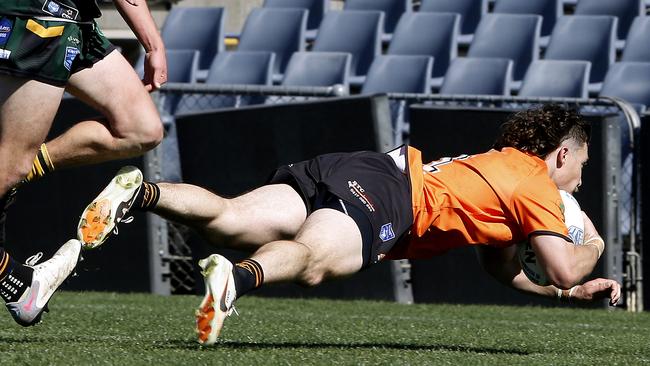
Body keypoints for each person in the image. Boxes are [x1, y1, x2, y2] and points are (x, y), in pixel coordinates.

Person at [82, 104, 621, 345]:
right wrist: (591, 242)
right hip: (389, 195)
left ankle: (142, 191)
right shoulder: (536, 183)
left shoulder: (501, 167)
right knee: (313, 263)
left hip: (360, 166)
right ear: (560, 154)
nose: (579, 181)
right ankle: (235, 281)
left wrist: (562, 299)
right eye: (582, 167)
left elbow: (499, 266)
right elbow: (565, 266)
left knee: (230, 218)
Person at [0, 0, 166, 326]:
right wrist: (153, 44)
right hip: (37, 17)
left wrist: (153, 45)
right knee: (10, 167)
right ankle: (14, 279)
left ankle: (17, 282)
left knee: (139, 127)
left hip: (75, 22)